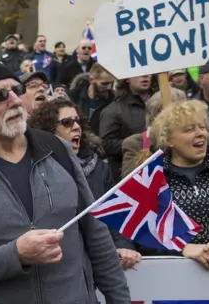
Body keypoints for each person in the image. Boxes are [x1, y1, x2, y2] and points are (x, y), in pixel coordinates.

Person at [0, 62, 130, 303]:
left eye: (16, 90)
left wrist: (119, 299)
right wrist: (16, 254)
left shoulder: (57, 149)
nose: (14, 101)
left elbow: (96, 234)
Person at [29, 99, 142, 269]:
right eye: (67, 122)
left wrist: (123, 246)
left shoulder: (99, 168)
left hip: (100, 261)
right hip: (60, 265)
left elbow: (116, 214)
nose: (76, 127)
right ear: (48, 130)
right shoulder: (34, 170)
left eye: (78, 121)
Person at [143, 100, 209, 270]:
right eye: (189, 130)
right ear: (168, 140)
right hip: (171, 279)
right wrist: (181, 248)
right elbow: (138, 233)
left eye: (202, 127)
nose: (200, 134)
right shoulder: (150, 178)